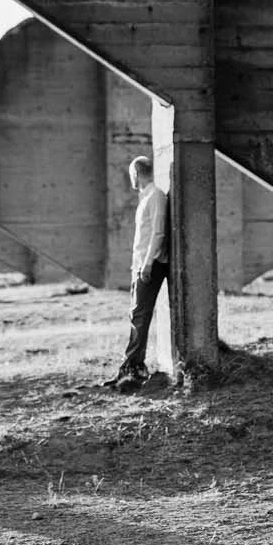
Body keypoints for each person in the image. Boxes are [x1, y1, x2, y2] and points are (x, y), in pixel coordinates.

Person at [105, 154, 168, 391]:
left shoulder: (156, 196)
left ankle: (133, 368)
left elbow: (158, 234)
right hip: (141, 265)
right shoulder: (146, 198)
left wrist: (148, 265)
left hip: (150, 265)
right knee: (136, 315)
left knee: (140, 315)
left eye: (131, 174)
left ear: (136, 174)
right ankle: (132, 365)